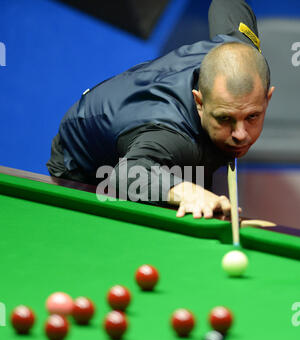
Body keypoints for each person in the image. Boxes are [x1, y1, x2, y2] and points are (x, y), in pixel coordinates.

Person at [47, 0, 275, 219]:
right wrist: (187, 190)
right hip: (88, 164)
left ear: (268, 97)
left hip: (154, 139)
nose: (241, 134)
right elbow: (124, 176)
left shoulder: (242, 47)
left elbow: (226, 4)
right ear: (200, 103)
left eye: (252, 116)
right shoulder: (170, 133)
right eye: (225, 118)